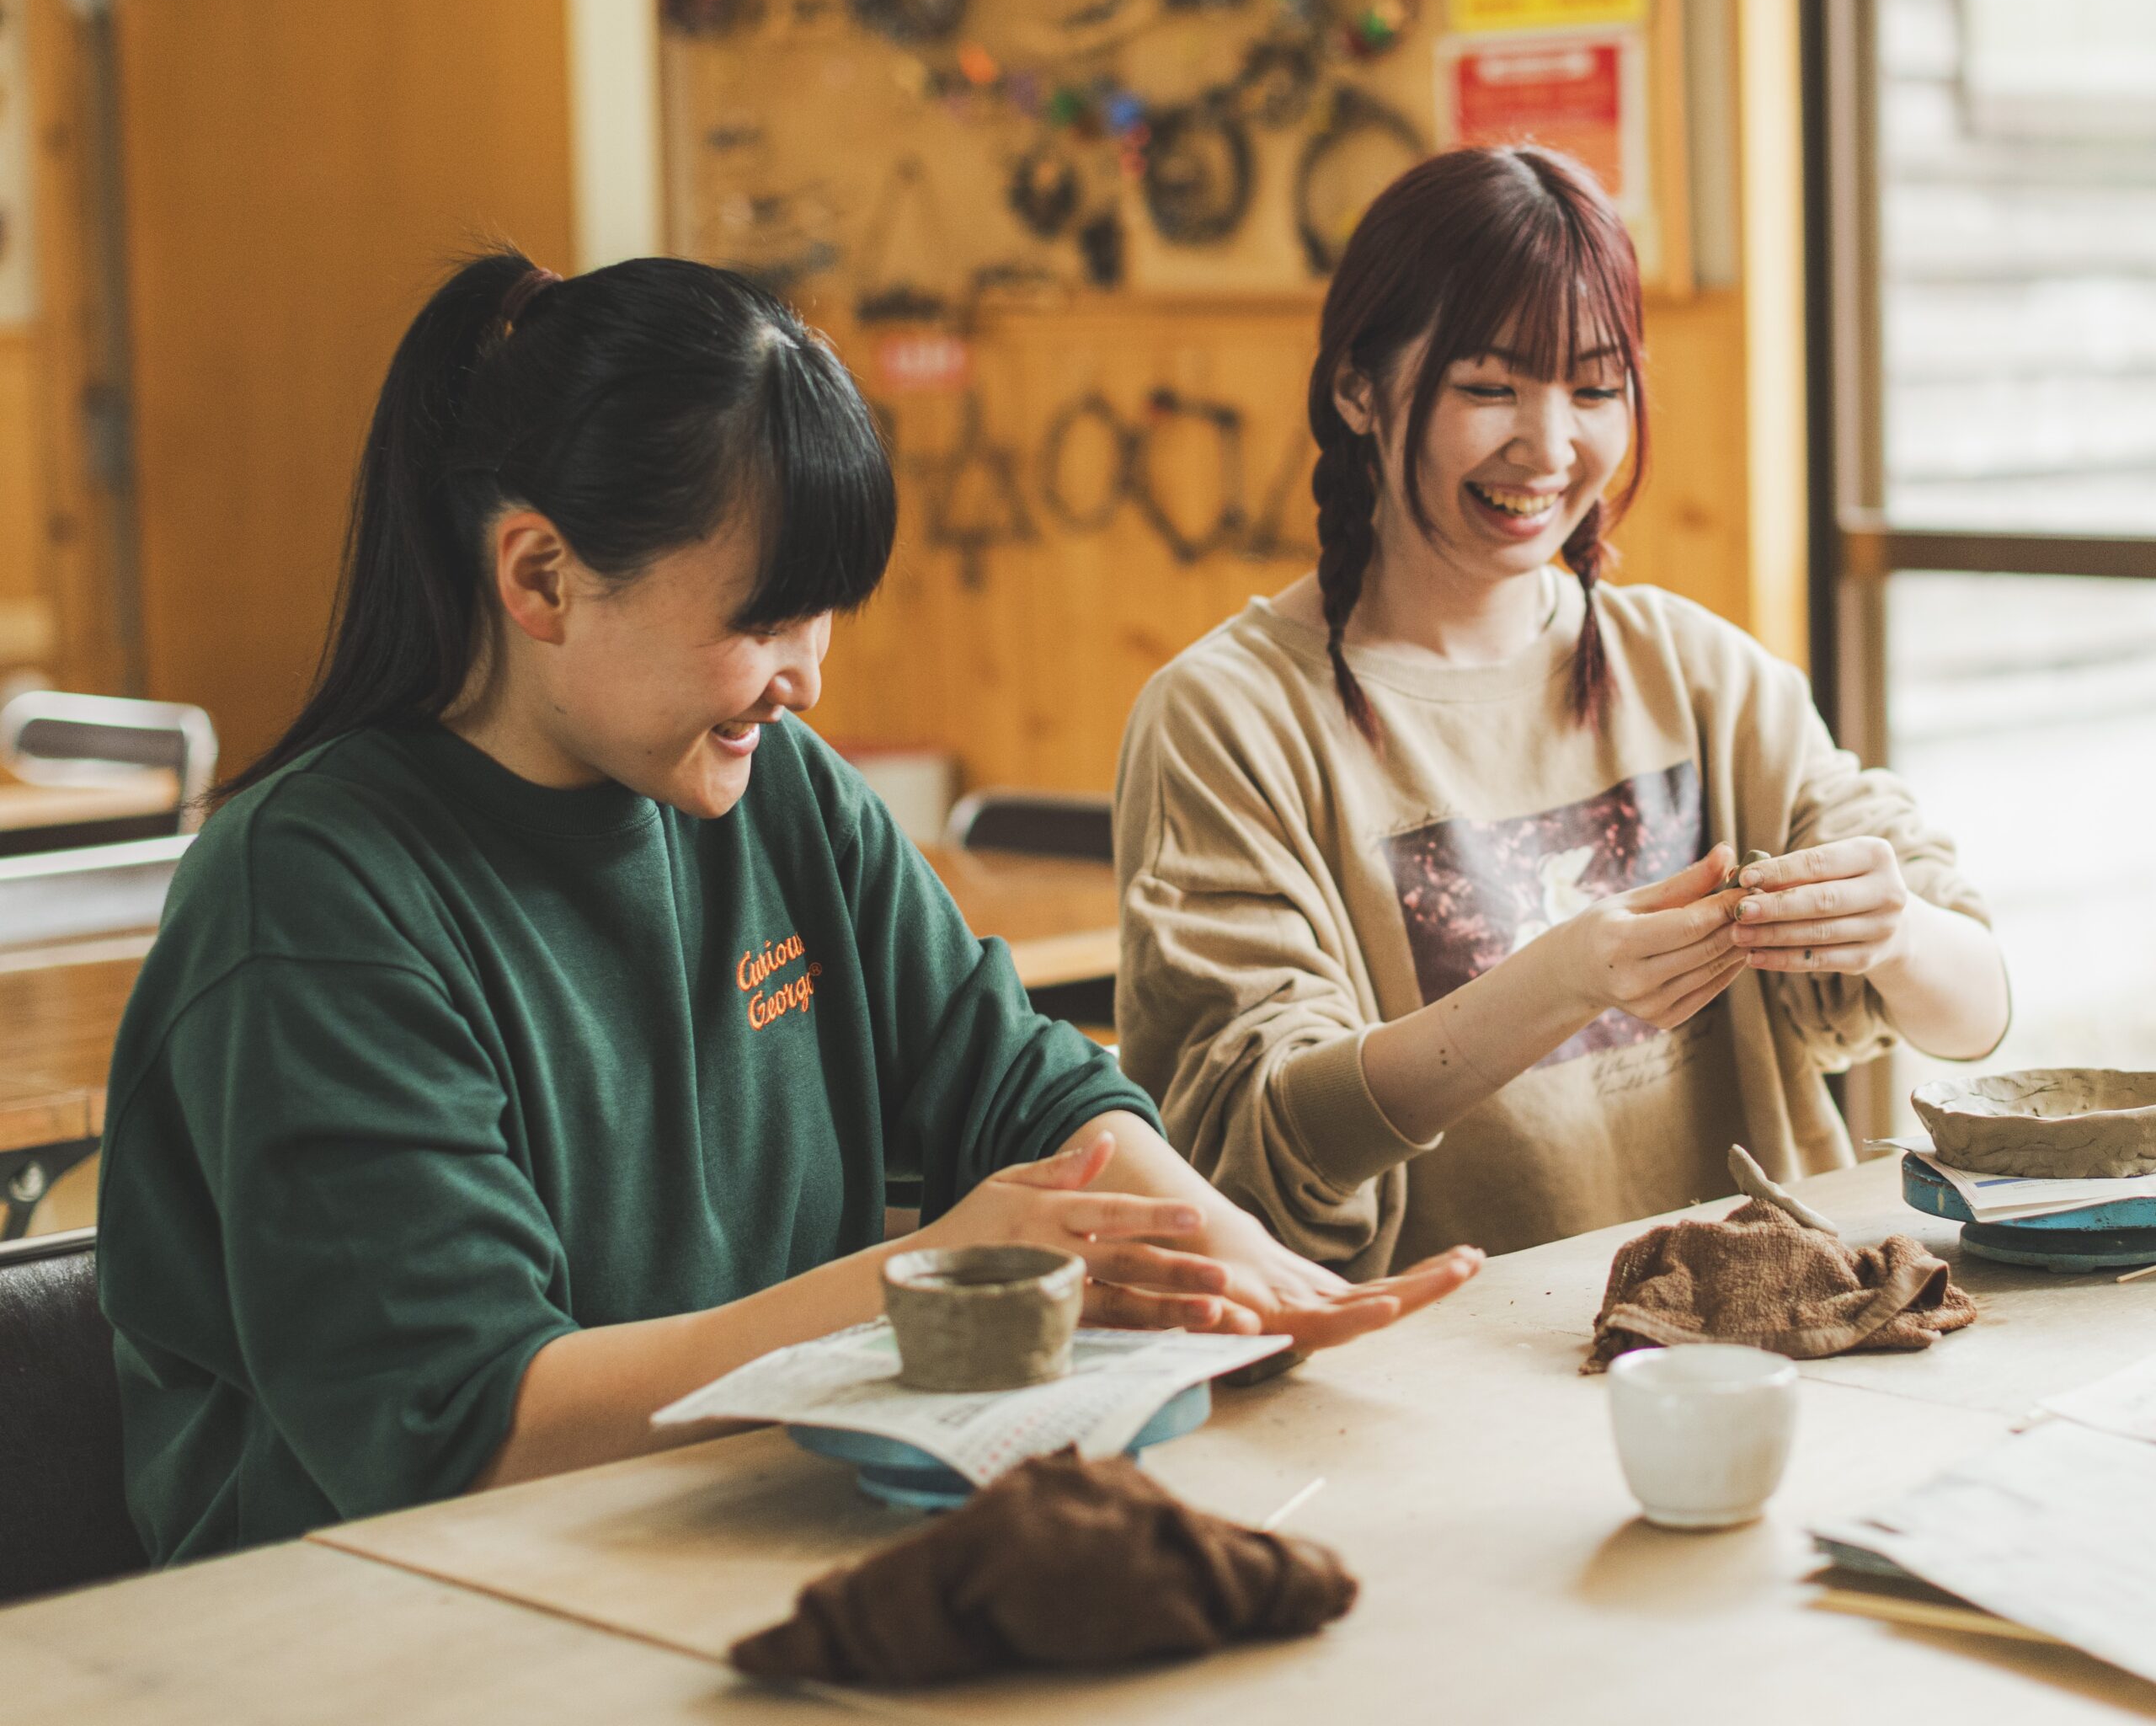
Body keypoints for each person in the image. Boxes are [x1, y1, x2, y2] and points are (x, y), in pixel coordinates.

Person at [99, 253, 1480, 1565]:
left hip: (729, 1542)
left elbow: (1017, 1083)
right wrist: (922, 1276)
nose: (807, 678)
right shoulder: (313, 898)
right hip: (375, 1635)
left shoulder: (778, 793)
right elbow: (473, 1433)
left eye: (826, 616)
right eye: (763, 620)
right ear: (539, 577)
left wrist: (1236, 1267)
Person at [1114, 148, 2009, 1278]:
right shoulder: (1226, 717)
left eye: (1594, 389)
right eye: (1489, 388)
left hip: (1762, 1334)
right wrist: (1560, 983)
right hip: (1419, 1373)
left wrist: (1895, 931)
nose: (1548, 446)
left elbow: (1975, 1013)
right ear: (1357, 388)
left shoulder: (1696, 673)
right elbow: (1254, 1148)